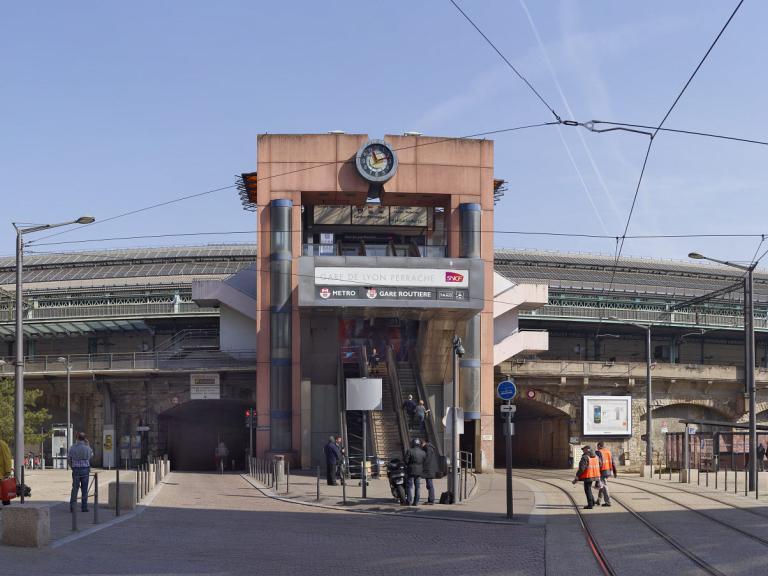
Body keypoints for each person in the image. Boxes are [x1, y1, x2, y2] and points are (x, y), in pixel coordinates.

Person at [67, 432, 93, 512]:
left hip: (76, 469)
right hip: (85, 469)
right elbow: (91, 455)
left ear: (77, 438)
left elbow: (68, 459)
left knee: (75, 488)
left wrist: (72, 467)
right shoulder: (87, 448)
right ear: (85, 438)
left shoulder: (72, 447)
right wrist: (88, 444)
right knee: (84, 489)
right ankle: (84, 507)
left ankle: (73, 506)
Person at [572, 445, 601, 509]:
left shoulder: (585, 457)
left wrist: (577, 476)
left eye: (583, 449)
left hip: (588, 475)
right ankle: (592, 502)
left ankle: (590, 505)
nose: (583, 451)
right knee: (589, 489)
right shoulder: (596, 456)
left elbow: (582, 468)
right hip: (596, 475)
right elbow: (600, 464)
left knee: (587, 490)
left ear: (587, 450)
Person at [404, 438, 426, 506]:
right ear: (419, 444)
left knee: (409, 486)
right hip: (419, 471)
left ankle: (409, 501)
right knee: (417, 487)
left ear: (413, 443)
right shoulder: (423, 452)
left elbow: (406, 460)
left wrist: (409, 465)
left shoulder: (409, 451)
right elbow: (424, 461)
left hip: (411, 470)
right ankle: (416, 502)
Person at [595, 441, 617, 507]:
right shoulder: (609, 452)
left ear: (599, 446)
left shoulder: (599, 452)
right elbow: (613, 462)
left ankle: (608, 502)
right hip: (608, 470)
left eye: (597, 446)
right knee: (602, 484)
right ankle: (598, 500)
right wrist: (615, 472)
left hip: (602, 470)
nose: (597, 448)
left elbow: (598, 463)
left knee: (604, 486)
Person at [421, 439, 439, 505]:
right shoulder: (429, 448)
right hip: (430, 469)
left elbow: (427, 459)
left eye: (421, 445)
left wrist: (422, 465)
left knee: (430, 485)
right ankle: (430, 500)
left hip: (429, 470)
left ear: (423, 443)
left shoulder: (428, 448)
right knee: (429, 485)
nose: (421, 447)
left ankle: (431, 500)